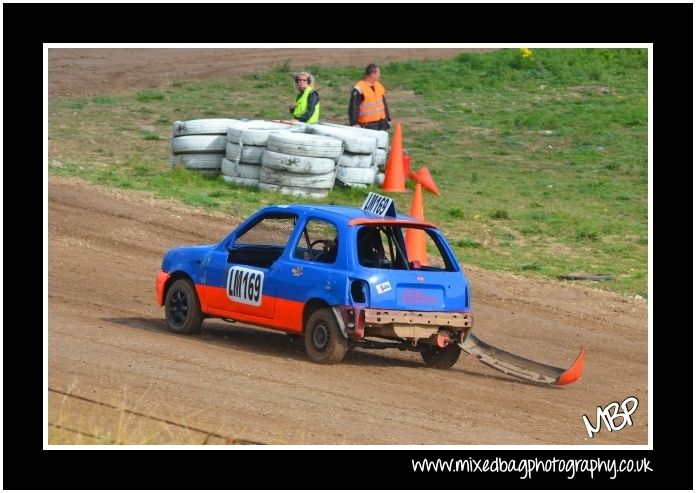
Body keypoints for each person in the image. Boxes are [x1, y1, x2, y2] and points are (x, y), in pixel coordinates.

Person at [348, 63, 391, 131]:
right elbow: (353, 107)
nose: (380, 75)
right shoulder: (359, 89)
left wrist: (388, 119)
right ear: (373, 74)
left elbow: (383, 104)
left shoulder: (379, 85)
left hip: (382, 123)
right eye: (378, 73)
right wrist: (354, 123)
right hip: (367, 126)